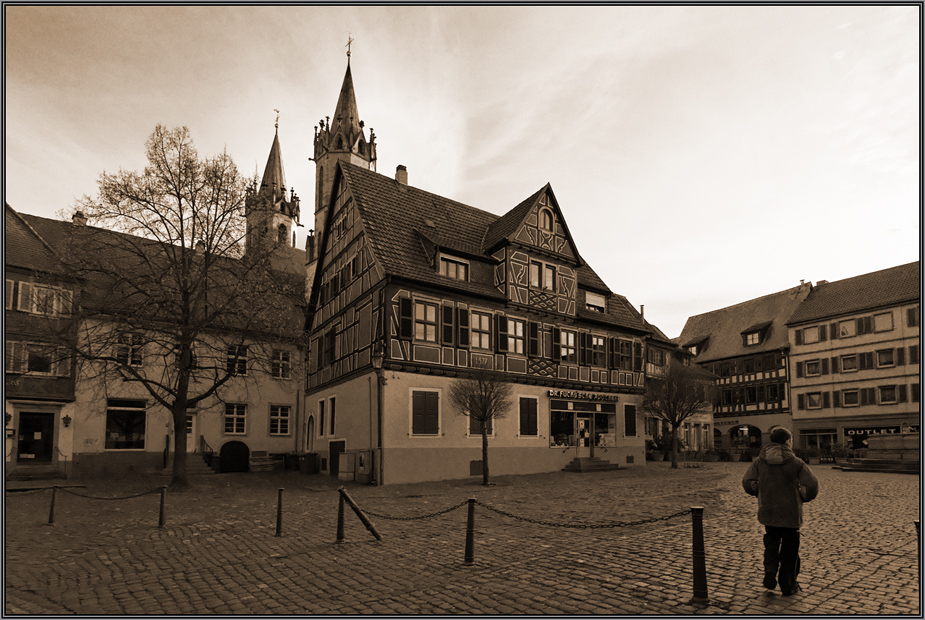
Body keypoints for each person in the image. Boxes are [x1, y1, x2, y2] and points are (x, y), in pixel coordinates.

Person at [742, 427, 819, 596]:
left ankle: (770, 571)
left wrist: (759, 491)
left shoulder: (759, 461)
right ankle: (787, 583)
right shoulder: (796, 462)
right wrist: (803, 496)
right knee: (790, 549)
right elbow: (812, 485)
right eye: (790, 440)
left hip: (768, 510)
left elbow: (748, 482)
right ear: (787, 442)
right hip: (790, 512)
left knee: (771, 541)